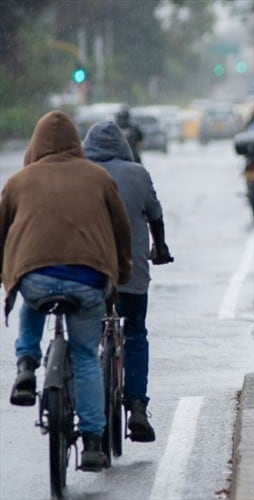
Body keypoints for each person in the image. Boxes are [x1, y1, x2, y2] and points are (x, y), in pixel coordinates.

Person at [1, 110, 133, 471]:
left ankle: (27, 364)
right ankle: (92, 441)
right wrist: (122, 272)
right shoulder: (99, 178)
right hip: (88, 279)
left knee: (31, 297)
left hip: (36, 276)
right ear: (77, 143)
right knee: (87, 356)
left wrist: (8, 274)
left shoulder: (18, 181)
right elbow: (122, 231)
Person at [83, 120, 174, 443]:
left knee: (84, 345)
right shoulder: (138, 173)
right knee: (135, 332)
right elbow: (156, 216)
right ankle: (136, 405)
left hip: (89, 277)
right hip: (132, 275)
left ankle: (86, 410)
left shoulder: (80, 173)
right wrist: (159, 248)